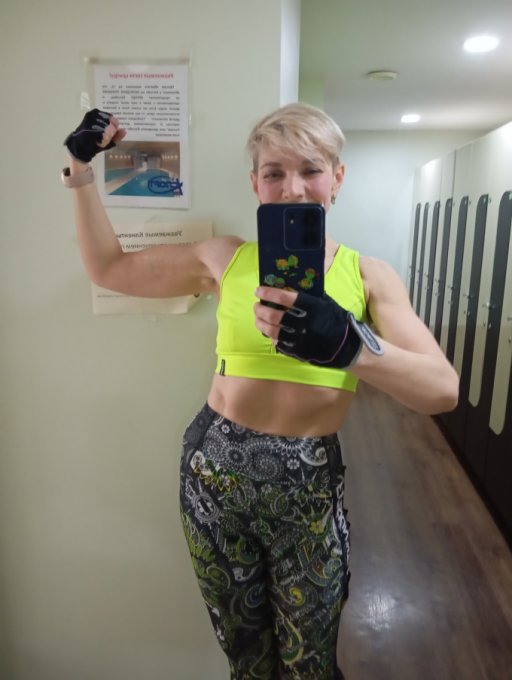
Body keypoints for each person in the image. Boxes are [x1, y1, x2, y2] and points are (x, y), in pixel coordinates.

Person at [62, 104, 459, 679]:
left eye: (311, 169)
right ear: (255, 184)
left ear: (337, 178)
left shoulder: (369, 276)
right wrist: (79, 170)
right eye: (274, 173)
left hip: (308, 492)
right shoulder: (225, 258)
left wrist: (351, 346)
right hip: (214, 483)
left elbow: (442, 390)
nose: (293, 187)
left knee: (309, 663)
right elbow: (109, 268)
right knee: (246, 658)